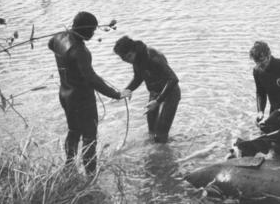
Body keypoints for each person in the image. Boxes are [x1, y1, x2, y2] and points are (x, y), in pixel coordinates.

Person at [48, 11, 130, 175]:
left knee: (73, 131)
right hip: (81, 98)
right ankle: (91, 174)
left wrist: (72, 68)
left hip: (65, 93)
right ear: (84, 29)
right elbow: (91, 78)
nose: (93, 34)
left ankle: (70, 166)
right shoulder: (80, 51)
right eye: (92, 30)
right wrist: (117, 94)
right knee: (89, 136)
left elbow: (50, 45)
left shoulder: (58, 37)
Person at [114, 36, 181, 143]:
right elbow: (138, 77)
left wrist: (158, 101)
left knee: (160, 134)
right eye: (124, 59)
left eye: (129, 56)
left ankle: (163, 153)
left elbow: (173, 79)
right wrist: (127, 90)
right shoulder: (136, 59)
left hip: (170, 93)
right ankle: (154, 150)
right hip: (154, 93)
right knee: (151, 131)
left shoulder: (153, 57)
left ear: (134, 50)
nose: (128, 60)